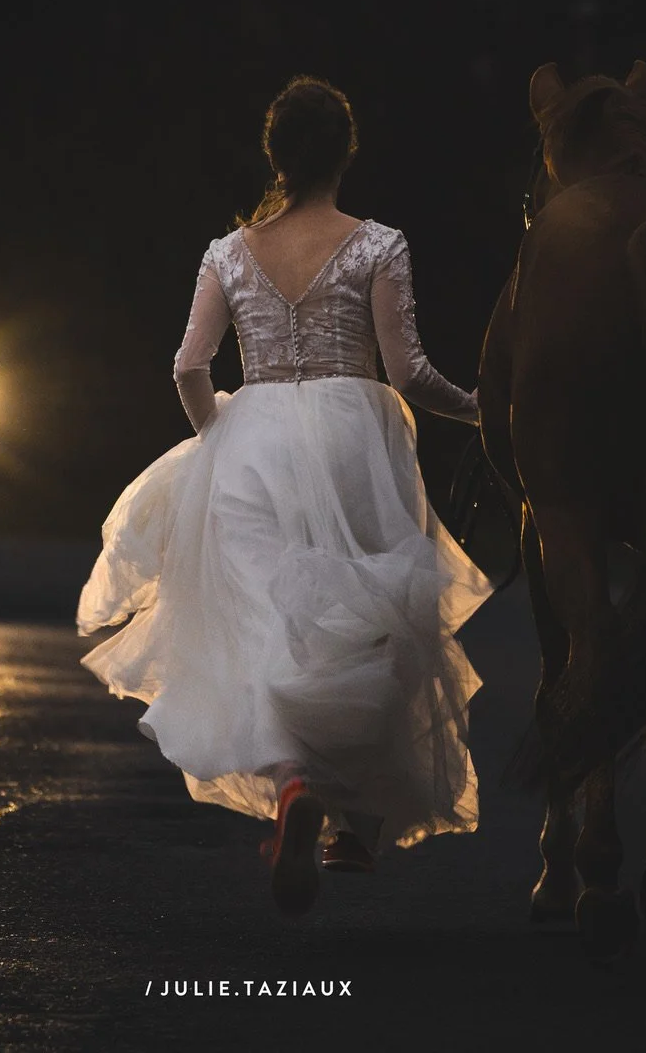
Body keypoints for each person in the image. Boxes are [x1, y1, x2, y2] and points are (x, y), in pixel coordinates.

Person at [76, 75, 493, 917]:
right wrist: (482, 407)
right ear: (347, 153)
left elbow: (189, 367)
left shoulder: (227, 253)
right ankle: (350, 828)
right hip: (355, 438)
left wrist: (217, 436)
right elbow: (407, 370)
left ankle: (294, 784)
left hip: (252, 442)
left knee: (265, 632)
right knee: (364, 623)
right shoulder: (379, 244)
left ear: (274, 155)